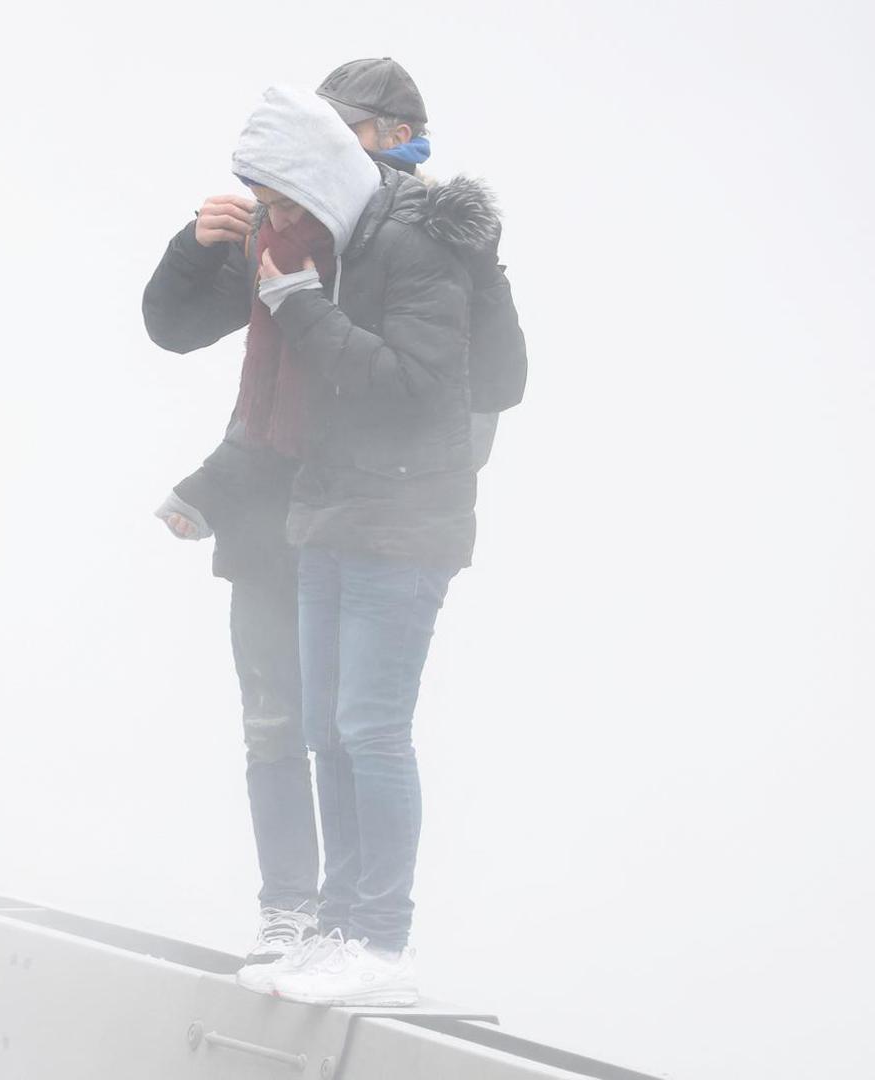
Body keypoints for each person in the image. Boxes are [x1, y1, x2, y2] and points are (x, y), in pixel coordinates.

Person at [143, 83, 505, 1006]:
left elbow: (471, 381)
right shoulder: (291, 229)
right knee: (289, 727)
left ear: (394, 140)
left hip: (385, 513)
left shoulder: (413, 238)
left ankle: (365, 937)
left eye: (352, 134)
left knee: (362, 728)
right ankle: (303, 919)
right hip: (295, 512)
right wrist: (199, 247)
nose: (279, 202)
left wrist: (307, 307)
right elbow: (174, 329)